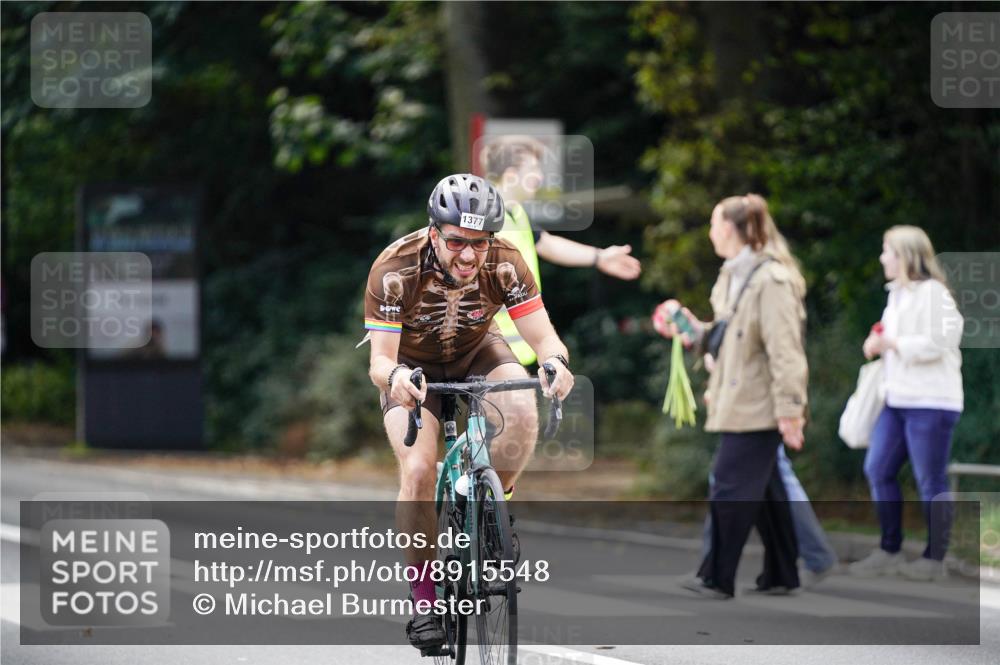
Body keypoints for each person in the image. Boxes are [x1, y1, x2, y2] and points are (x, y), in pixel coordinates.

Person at [364, 173, 575, 651]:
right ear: (435, 232)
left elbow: (545, 339)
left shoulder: (505, 263)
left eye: (479, 244)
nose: (467, 255)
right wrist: (397, 379)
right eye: (457, 241)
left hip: (478, 350)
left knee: (521, 410)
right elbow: (380, 361)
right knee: (418, 469)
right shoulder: (394, 268)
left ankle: (494, 510)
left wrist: (556, 364)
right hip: (411, 366)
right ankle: (423, 600)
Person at [656, 194, 808, 599]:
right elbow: (725, 339)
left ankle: (716, 577)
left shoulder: (771, 280)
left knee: (728, 486)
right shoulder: (735, 274)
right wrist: (687, 327)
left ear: (730, 229)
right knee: (765, 489)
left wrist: (791, 409)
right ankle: (781, 573)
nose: (709, 231)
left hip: (758, 404)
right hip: (740, 399)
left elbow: (785, 349)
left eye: (713, 223)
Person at [849, 225, 963, 582]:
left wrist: (894, 344)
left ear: (906, 256)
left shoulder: (934, 293)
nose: (882, 257)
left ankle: (935, 559)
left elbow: (944, 340)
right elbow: (890, 337)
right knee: (878, 468)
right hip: (896, 398)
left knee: (930, 480)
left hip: (932, 401)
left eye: (887, 251)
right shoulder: (895, 295)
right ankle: (889, 550)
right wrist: (876, 341)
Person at [481, 135, 641, 364]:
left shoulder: (515, 214)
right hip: (493, 354)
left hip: (518, 352)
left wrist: (600, 257)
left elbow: (547, 243)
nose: (539, 177)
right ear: (511, 176)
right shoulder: (483, 221)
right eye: (533, 170)